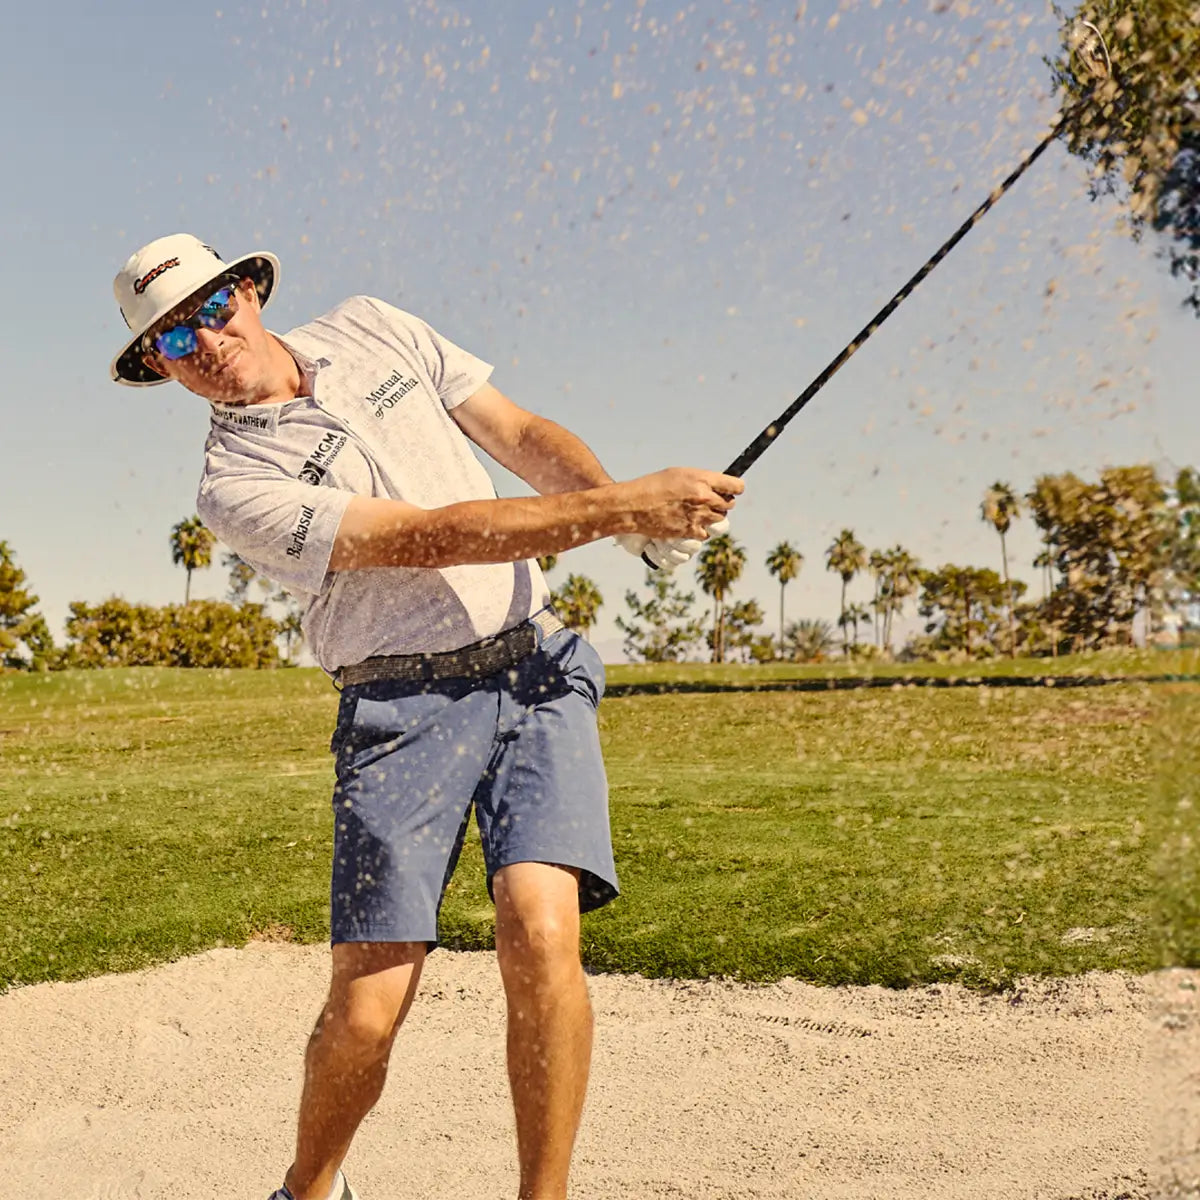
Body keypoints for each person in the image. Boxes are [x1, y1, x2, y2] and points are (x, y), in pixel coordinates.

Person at [109, 233, 741, 1200]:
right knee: (368, 1008)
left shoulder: (374, 326)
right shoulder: (233, 485)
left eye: (211, 309)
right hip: (398, 710)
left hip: (534, 669)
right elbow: (428, 537)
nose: (205, 341)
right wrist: (620, 511)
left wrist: (615, 510)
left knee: (541, 931)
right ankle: (310, 1188)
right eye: (173, 338)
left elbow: (516, 431)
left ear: (248, 292)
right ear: (157, 365)